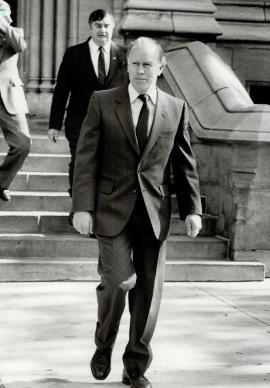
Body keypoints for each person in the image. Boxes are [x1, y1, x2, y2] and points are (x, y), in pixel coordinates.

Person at [72, 37, 202, 388]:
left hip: (154, 212)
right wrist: (82, 206)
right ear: (126, 66)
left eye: (148, 64)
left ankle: (136, 367)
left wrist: (193, 210)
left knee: (147, 293)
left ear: (161, 67)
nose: (141, 70)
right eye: (135, 63)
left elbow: (184, 163)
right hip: (111, 208)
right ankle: (104, 344)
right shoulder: (102, 102)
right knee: (118, 282)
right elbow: (86, 157)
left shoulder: (176, 108)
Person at [48, 9, 128, 219]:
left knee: (106, 166)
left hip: (113, 124)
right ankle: (79, 208)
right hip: (79, 123)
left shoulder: (123, 54)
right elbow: (61, 90)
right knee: (80, 163)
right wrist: (54, 124)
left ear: (113, 27)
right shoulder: (74, 54)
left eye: (106, 26)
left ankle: (99, 210)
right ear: (91, 27)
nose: (103, 30)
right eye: (98, 26)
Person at [0, 0, 31, 202]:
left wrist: (3, 24)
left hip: (8, 96)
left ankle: (1, 181)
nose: (11, 18)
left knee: (23, 143)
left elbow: (21, 45)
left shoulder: (13, 33)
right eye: (6, 13)